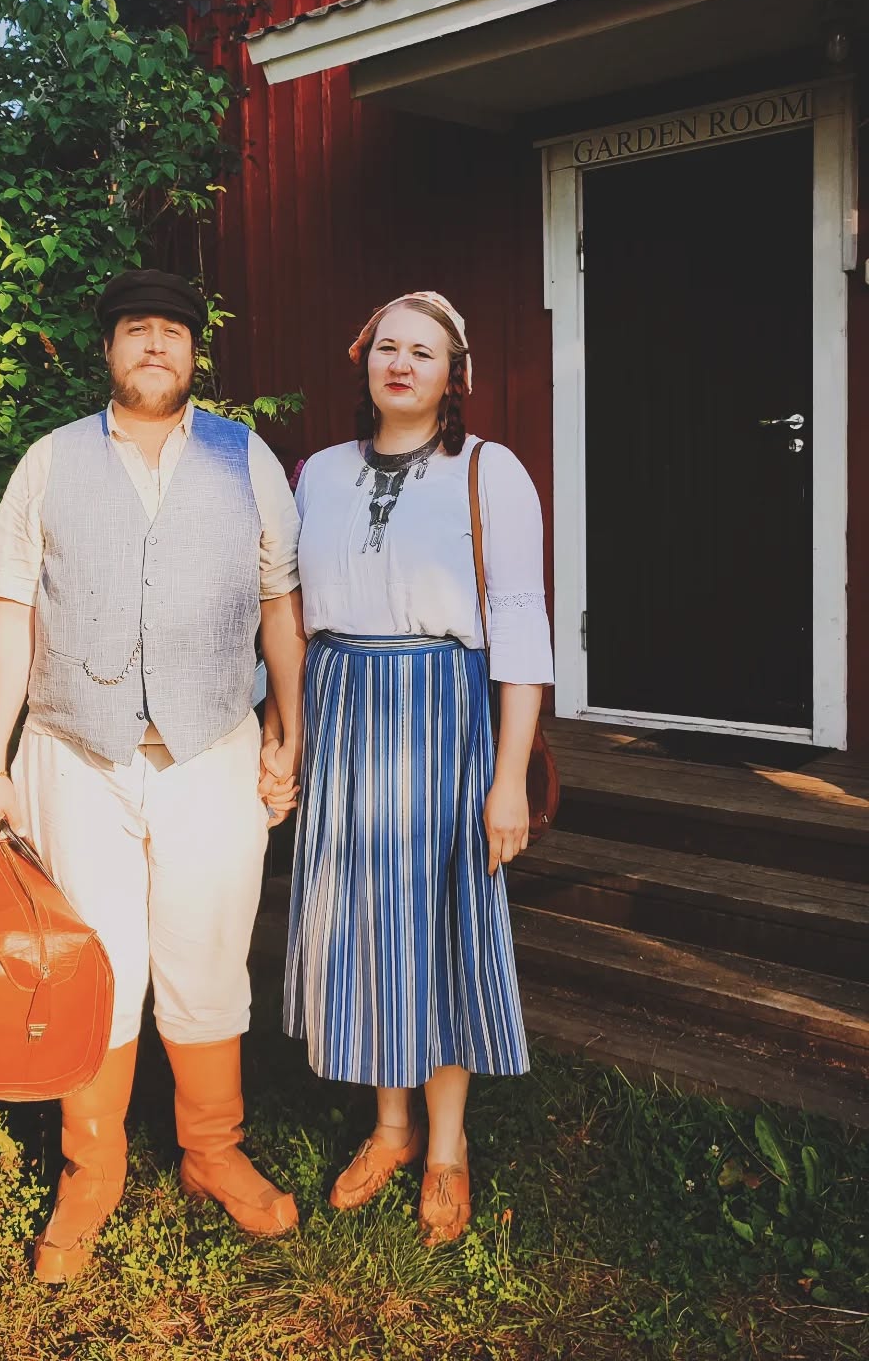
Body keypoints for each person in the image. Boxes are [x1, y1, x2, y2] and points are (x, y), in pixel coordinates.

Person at [0, 269, 305, 1282]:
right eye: (135, 330)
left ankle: (212, 1150)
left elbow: (280, 607)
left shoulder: (247, 459)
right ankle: (91, 1172)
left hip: (212, 751)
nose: (155, 344)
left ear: (195, 352)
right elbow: (9, 613)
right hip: (76, 753)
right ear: (109, 350)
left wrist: (290, 732)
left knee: (209, 953)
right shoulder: (49, 462)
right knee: (96, 966)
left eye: (172, 331)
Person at [284, 291, 554, 1246]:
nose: (402, 364)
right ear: (364, 362)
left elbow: (519, 628)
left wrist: (508, 777)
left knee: (438, 927)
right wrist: (287, 732)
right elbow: (289, 613)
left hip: (442, 714)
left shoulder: (489, 471)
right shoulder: (318, 474)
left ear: (454, 375)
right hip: (342, 712)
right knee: (366, 923)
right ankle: (389, 1129)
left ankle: (446, 1147)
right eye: (388, 348)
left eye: (424, 353)